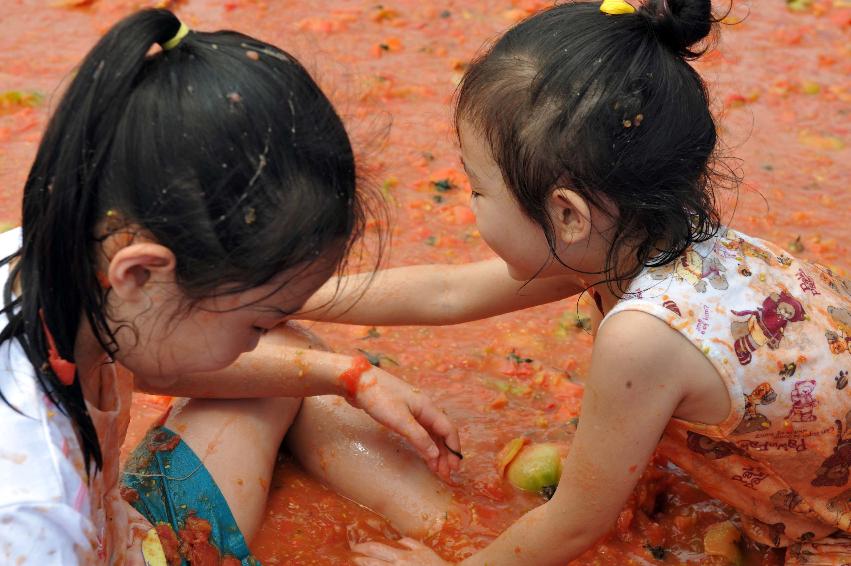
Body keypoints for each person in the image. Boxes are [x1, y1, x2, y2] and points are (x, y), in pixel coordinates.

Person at [300, 1, 851, 564]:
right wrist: (291, 296)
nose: (473, 204)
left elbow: (572, 526)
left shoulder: (644, 336)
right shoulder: (644, 235)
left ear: (566, 214)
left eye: (477, 187)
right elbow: (448, 291)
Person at [0, 9, 461, 565]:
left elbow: (139, 358)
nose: (254, 342)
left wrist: (351, 379)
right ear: (140, 273)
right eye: (254, 324)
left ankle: (465, 535)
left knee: (295, 362)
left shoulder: (64, 250)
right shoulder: (33, 513)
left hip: (113, 531)